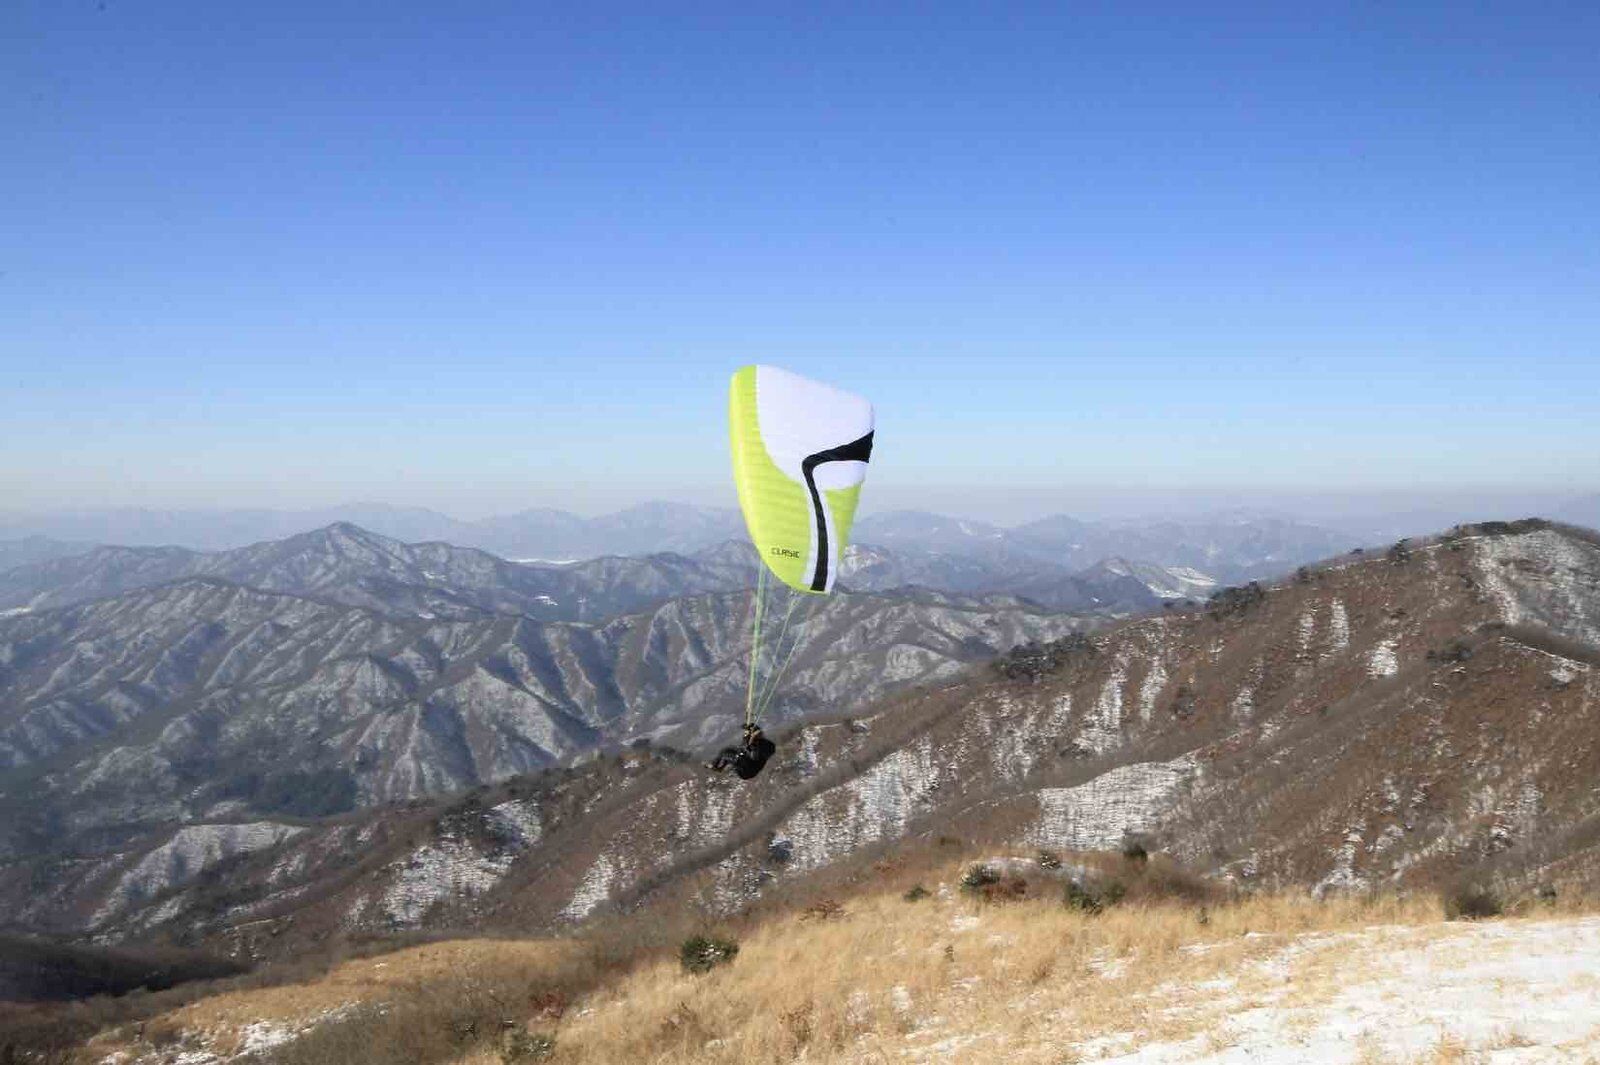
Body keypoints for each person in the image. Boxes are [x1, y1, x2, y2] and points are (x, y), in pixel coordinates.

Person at [707, 723, 777, 780]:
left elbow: (753, 754)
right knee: (728, 750)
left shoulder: (758, 748)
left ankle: (716, 766)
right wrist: (749, 728)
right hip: (746, 764)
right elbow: (748, 744)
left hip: (746, 770)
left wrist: (750, 740)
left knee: (726, 754)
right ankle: (718, 766)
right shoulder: (756, 743)